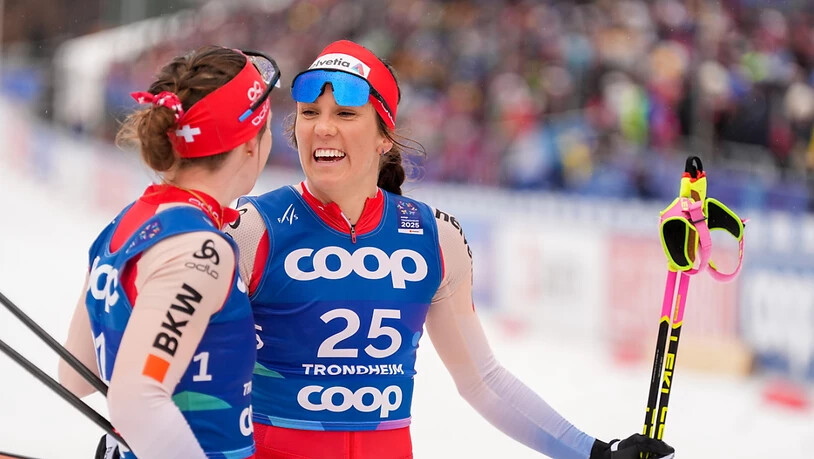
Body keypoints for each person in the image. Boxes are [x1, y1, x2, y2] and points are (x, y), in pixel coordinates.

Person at [226, 40, 674, 459]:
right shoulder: (253, 228)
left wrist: (596, 452)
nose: (322, 129)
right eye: (309, 113)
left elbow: (483, 380)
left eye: (345, 114)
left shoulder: (432, 236)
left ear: (385, 136)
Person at [58, 45, 281, 459]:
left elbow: (76, 374)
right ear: (251, 143)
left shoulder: (128, 222)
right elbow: (134, 398)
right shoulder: (201, 250)